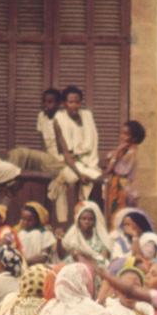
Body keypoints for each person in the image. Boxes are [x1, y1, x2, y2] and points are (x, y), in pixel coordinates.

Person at [47, 86, 103, 223]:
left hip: (89, 160)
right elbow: (66, 152)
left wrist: (87, 163)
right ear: (64, 104)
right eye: (70, 102)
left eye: (77, 102)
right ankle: (71, 221)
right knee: (85, 179)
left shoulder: (87, 115)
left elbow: (92, 142)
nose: (74, 106)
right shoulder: (58, 120)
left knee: (98, 181)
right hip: (69, 161)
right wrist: (79, 173)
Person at [103, 119, 146, 219]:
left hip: (124, 192)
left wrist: (117, 152)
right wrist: (118, 151)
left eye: (126, 134)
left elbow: (112, 170)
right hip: (120, 189)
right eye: (121, 133)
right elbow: (108, 157)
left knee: (121, 217)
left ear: (134, 138)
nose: (121, 137)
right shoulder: (124, 150)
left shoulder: (131, 153)